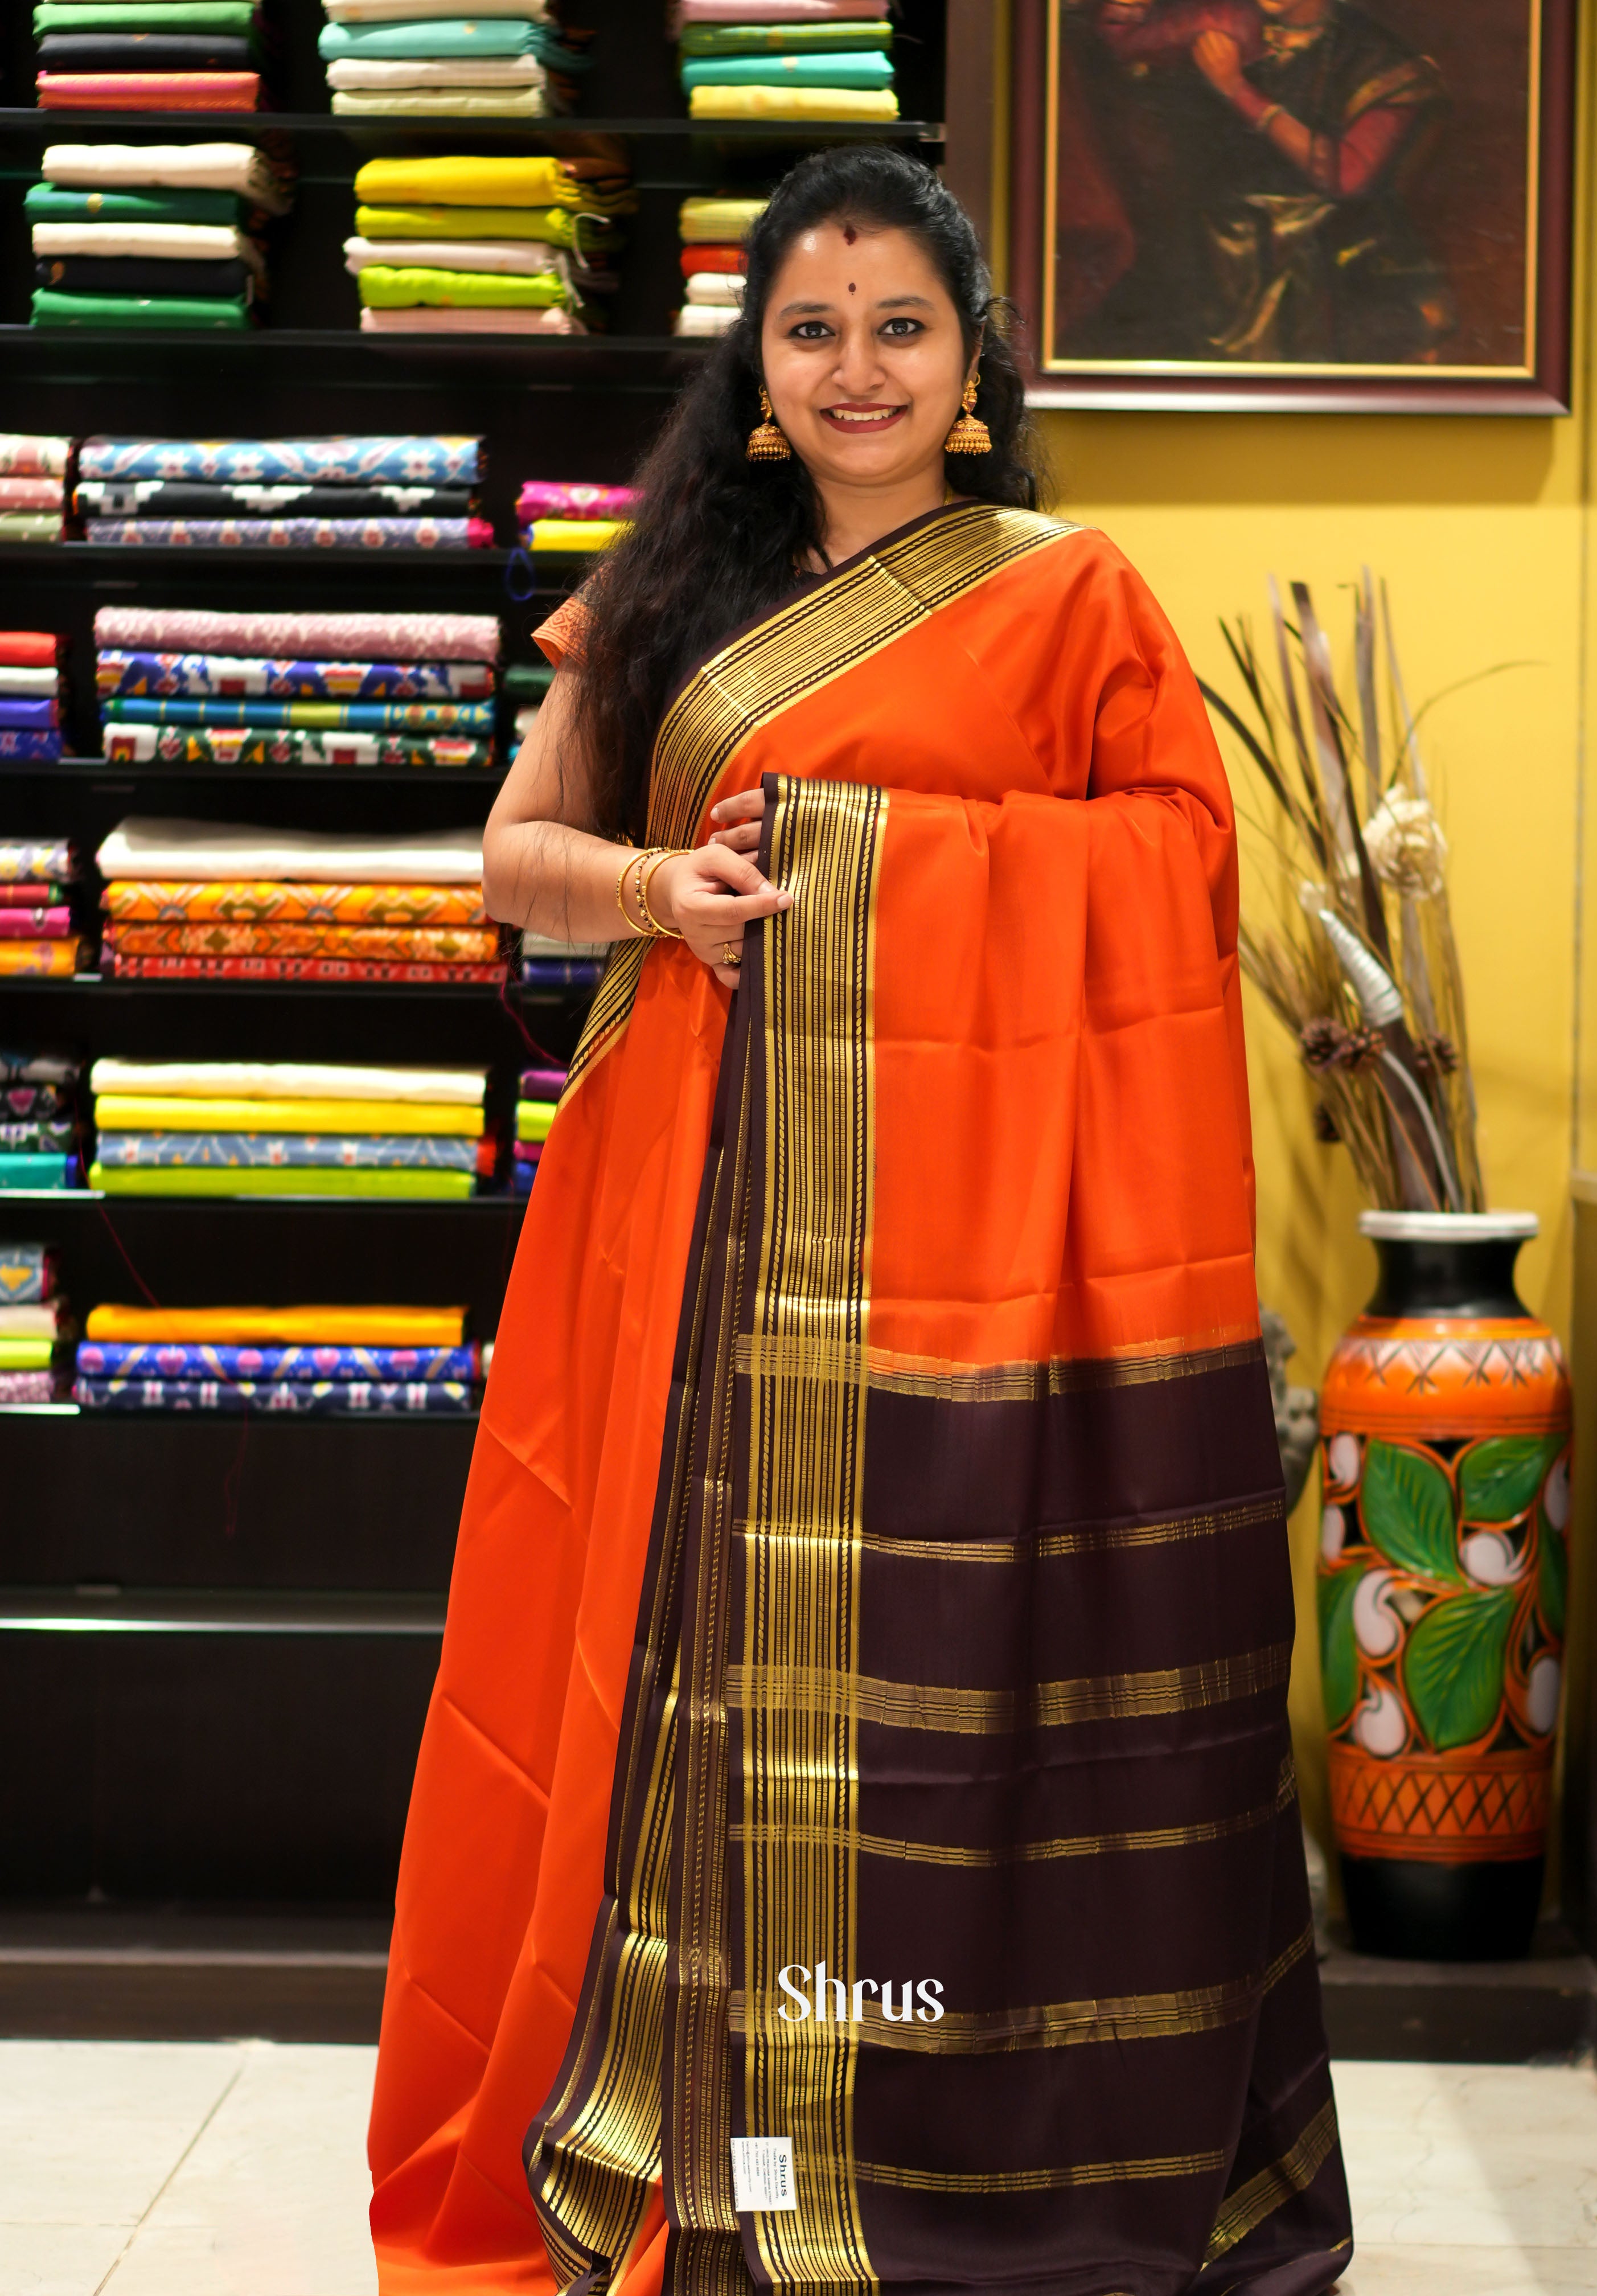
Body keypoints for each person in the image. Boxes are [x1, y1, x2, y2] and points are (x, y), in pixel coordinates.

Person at [367, 142, 1352, 2296]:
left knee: (942, 1681)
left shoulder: (1063, 592)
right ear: (752, 372)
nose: (854, 367)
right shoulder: (663, 595)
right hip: (685, 1210)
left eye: (897, 325)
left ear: (970, 358)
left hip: (985, 1269)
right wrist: (662, 892)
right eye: (807, 330)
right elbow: (510, 853)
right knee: (671, 1656)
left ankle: (953, 2138)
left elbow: (1171, 876)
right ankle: (695, 2123)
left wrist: (876, 865)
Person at [1068, 0, 1450, 363]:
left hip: (1330, 256)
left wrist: (1237, 90)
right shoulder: (1227, 22)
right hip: (1214, 245)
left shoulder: (1383, 61)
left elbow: (1345, 175)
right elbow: (1122, 41)